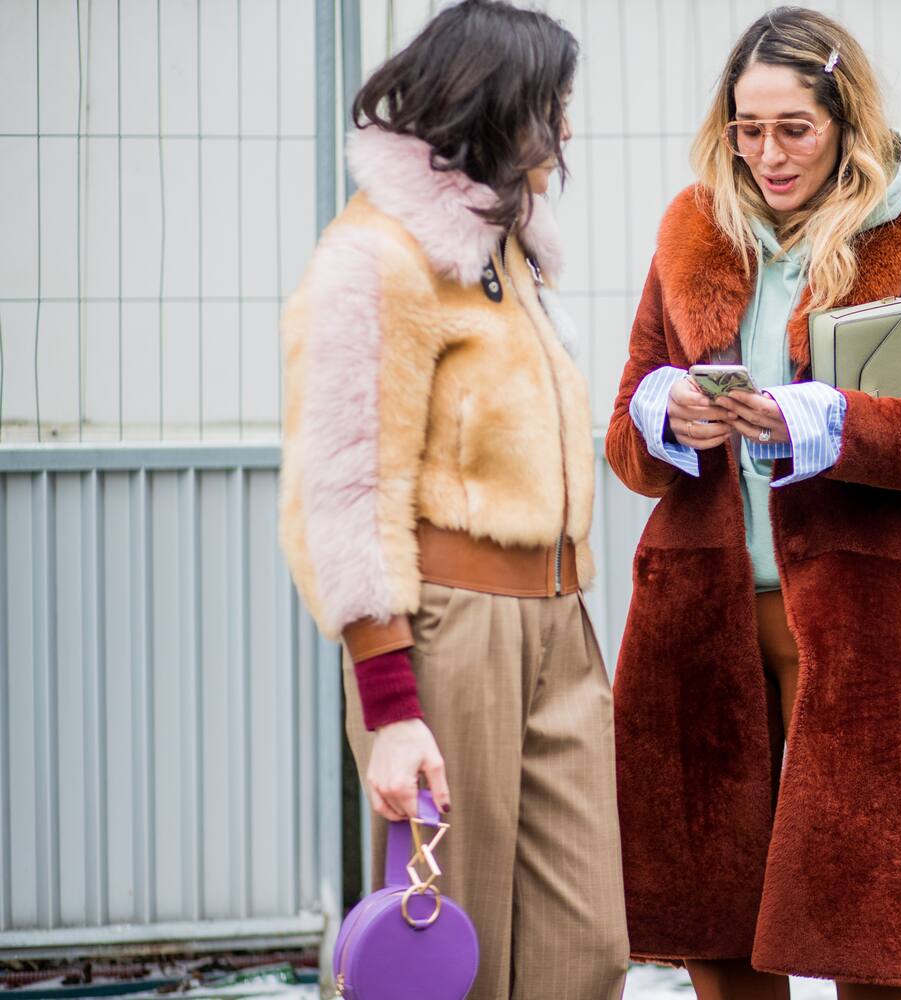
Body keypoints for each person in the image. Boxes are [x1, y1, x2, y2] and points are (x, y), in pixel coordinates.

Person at [606, 6, 901, 999]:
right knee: (715, 909)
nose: (767, 155)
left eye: (793, 128)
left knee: (868, 915)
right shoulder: (691, 239)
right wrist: (663, 416)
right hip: (699, 615)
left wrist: (838, 424)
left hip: (855, 623)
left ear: (845, 122)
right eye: (747, 129)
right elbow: (626, 446)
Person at [277, 3, 628, 996]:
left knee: (587, 950)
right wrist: (390, 707)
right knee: (448, 954)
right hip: (446, 632)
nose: (566, 129)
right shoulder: (379, 255)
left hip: (561, 623)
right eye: (552, 106)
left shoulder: (507, 253)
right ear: (494, 106)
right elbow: (341, 490)